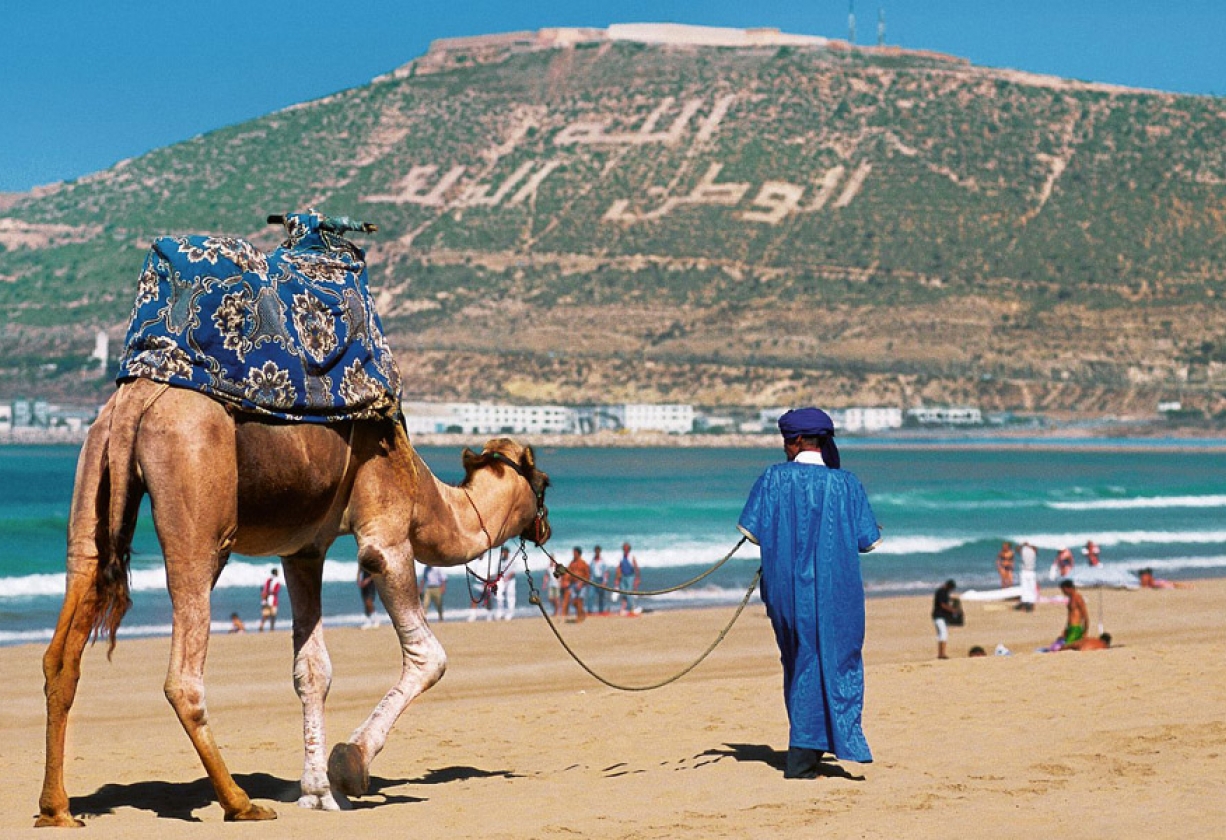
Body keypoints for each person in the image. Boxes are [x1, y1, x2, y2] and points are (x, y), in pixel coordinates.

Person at [738, 407, 881, 778]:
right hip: (838, 592)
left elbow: (750, 531)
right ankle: (809, 751)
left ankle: (807, 750)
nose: (785, 448)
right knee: (836, 661)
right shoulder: (846, 484)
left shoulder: (773, 479)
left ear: (798, 440)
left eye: (787, 441)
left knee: (801, 660)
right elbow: (869, 540)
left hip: (787, 593)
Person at [931, 579, 961, 660]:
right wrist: (952, 610)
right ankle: (942, 654)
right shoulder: (942, 592)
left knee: (940, 635)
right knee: (943, 634)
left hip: (937, 616)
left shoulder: (941, 592)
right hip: (939, 616)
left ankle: (940, 653)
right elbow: (942, 605)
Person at [560, 546, 589, 623]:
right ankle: (582, 613)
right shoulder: (571, 563)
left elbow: (587, 575)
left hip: (582, 585)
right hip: (573, 584)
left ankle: (579, 618)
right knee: (574, 601)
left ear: (578, 553)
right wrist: (565, 581)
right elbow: (568, 573)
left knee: (579, 600)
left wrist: (582, 583)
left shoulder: (583, 563)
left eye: (575, 553)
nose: (573, 554)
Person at [1059, 578, 1088, 645]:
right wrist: (1066, 629)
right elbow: (1070, 615)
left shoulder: (1078, 598)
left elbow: (1085, 616)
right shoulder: (1070, 599)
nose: (1063, 592)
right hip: (1070, 628)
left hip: (1076, 628)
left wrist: (1085, 631)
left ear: (1069, 588)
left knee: (1066, 646)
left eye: (1064, 590)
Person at [616, 541, 641, 616]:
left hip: (630, 576)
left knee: (629, 592)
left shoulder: (631, 557)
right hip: (623, 576)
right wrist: (617, 578)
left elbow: (636, 567)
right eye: (624, 549)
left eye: (626, 549)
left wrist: (637, 578)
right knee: (623, 592)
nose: (625, 550)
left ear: (629, 549)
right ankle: (624, 608)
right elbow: (619, 568)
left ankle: (632, 607)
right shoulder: (621, 557)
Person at [1016, 540, 1039, 612]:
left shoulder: (1025, 551)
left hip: (1026, 572)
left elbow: (1017, 549)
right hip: (1030, 572)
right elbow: (1035, 549)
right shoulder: (1032, 551)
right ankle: (1028, 603)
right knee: (1029, 588)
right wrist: (1027, 545)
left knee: (1026, 588)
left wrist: (1023, 544)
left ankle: (1027, 603)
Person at [587, 545, 608, 616]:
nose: (597, 552)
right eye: (596, 551)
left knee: (601, 596)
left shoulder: (603, 561)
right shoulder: (592, 561)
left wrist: (604, 582)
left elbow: (605, 572)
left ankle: (601, 611)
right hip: (593, 580)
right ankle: (590, 611)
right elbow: (589, 571)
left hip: (600, 579)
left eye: (598, 551)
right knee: (590, 595)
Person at [258, 568, 281, 632]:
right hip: (273, 600)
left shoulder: (267, 580)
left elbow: (262, 588)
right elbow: (276, 591)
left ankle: (261, 626)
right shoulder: (277, 581)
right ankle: (272, 628)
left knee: (265, 615)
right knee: (273, 615)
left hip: (265, 599)